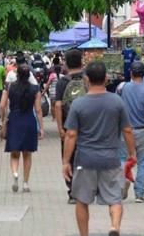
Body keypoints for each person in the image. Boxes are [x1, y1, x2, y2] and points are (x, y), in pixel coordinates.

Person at [62, 62, 136, 236]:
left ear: (86, 80)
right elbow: (127, 130)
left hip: (85, 160)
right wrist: (132, 153)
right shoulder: (117, 102)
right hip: (111, 159)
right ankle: (114, 227)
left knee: (81, 200)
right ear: (106, 79)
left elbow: (71, 135)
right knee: (115, 199)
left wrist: (66, 161)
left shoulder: (78, 104)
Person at [117, 61, 144, 203]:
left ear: (131, 73)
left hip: (125, 130)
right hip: (142, 131)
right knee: (142, 163)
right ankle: (139, 194)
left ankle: (123, 183)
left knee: (123, 159)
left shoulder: (123, 88)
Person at [0, 64, 44, 193]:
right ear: (29, 75)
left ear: (17, 74)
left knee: (14, 153)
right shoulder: (35, 89)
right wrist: (41, 127)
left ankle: (15, 173)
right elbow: (38, 109)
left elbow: (2, 106)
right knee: (27, 154)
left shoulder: (9, 87)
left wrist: (3, 120)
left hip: (14, 120)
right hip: (29, 121)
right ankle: (25, 183)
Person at [55, 49, 86, 204]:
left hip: (68, 126)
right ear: (81, 62)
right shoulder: (87, 79)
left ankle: (73, 192)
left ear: (66, 63)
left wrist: (60, 127)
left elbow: (58, 105)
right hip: (87, 127)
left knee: (68, 157)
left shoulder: (62, 81)